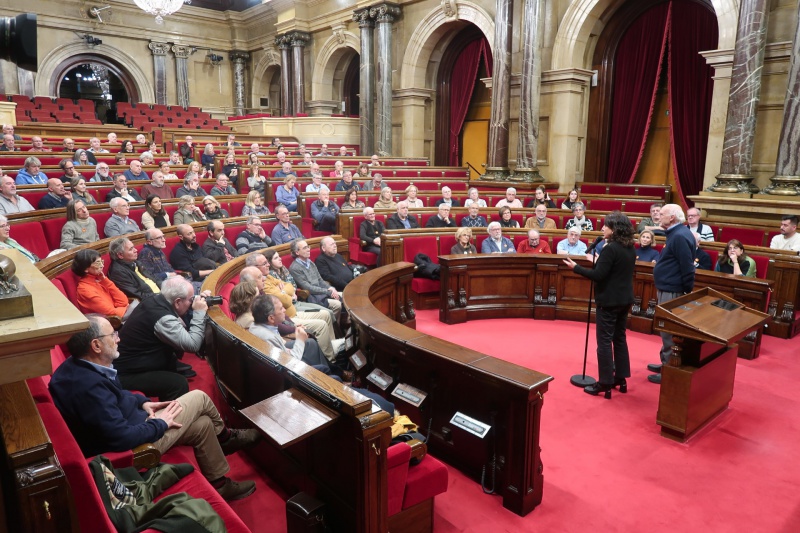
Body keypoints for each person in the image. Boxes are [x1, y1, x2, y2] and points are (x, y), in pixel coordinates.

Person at [48, 315, 260, 501]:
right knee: (200, 397)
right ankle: (226, 438)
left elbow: (116, 396)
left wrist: (142, 402)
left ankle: (220, 485)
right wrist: (160, 424)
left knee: (203, 425)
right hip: (131, 449)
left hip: (136, 422)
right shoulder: (88, 387)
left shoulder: (79, 365)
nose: (118, 338)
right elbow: (120, 438)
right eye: (112, 335)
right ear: (96, 345)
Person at [563, 211, 636, 399]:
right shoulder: (629, 247)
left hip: (609, 301)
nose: (602, 228)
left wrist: (576, 268)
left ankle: (605, 382)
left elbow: (599, 275)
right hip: (624, 299)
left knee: (604, 341)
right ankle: (621, 378)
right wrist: (597, 261)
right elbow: (613, 270)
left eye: (606, 225)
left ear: (614, 229)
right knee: (619, 338)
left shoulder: (610, 248)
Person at [115, 275, 203, 399]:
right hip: (127, 373)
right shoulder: (163, 318)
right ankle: (166, 417)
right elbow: (193, 345)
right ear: (177, 302)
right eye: (191, 299)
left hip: (137, 361)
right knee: (178, 384)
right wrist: (199, 312)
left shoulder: (155, 299)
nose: (192, 302)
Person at [648, 204, 695, 384]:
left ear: (673, 217)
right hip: (668, 288)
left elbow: (687, 267)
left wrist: (686, 292)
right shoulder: (676, 234)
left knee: (668, 330)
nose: (659, 215)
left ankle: (669, 367)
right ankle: (665, 362)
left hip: (673, 290)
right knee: (664, 329)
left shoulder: (680, 236)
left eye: (663, 213)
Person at [248, 295, 337, 375]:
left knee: (311, 343)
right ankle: (328, 379)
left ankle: (329, 373)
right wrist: (300, 340)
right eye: (281, 308)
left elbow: (281, 349)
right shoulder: (269, 338)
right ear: (271, 318)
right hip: (287, 373)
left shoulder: (256, 325)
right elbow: (290, 362)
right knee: (324, 369)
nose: (284, 310)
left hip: (282, 355)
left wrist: (289, 347)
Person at [288, 239, 343, 315]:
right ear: (297, 252)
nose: (308, 250)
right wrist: (328, 292)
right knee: (337, 304)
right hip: (313, 296)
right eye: (304, 248)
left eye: (308, 247)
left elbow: (320, 280)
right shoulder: (294, 268)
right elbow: (308, 287)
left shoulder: (310, 262)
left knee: (345, 295)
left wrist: (330, 288)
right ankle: (335, 325)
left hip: (321, 292)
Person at [72, 249, 130, 319]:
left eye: (102, 262)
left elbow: (123, 301)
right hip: (111, 324)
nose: (102, 266)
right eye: (98, 263)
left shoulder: (99, 280)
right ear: (86, 269)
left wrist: (105, 280)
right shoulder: (84, 290)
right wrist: (126, 308)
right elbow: (113, 314)